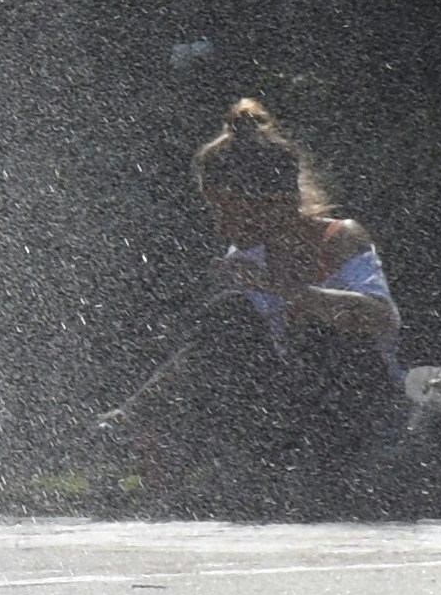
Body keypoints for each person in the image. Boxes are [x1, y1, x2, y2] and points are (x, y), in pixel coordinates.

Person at [98, 100, 414, 513]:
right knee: (227, 314)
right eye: (217, 212)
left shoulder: (340, 238)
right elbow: (207, 350)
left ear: (278, 204)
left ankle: (324, 471)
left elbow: (380, 317)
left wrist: (286, 291)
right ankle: (228, 467)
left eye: (234, 214)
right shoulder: (243, 256)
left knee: (317, 333)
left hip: (358, 395)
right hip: (285, 402)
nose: (223, 227)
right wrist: (134, 409)